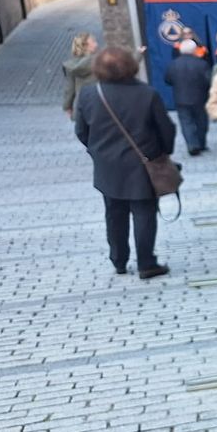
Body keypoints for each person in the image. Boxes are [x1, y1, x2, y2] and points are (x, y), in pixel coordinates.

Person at [74, 46, 175, 279]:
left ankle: (118, 259)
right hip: (142, 163)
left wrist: (97, 151)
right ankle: (146, 263)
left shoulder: (89, 94)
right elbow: (166, 129)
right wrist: (163, 152)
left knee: (114, 212)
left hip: (107, 166)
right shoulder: (147, 94)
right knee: (144, 212)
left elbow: (81, 130)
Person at [164, 37, 212, 155]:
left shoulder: (173, 64)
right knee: (202, 121)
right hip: (200, 98)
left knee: (186, 122)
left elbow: (167, 80)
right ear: (195, 50)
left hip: (181, 98)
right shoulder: (202, 64)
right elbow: (209, 81)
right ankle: (201, 143)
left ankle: (192, 145)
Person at [63, 33, 98, 119]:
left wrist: (67, 106)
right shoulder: (98, 62)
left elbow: (70, 89)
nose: (96, 44)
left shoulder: (71, 66)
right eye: (93, 42)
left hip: (81, 105)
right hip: (98, 103)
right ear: (85, 46)